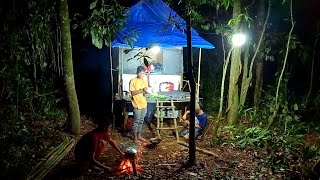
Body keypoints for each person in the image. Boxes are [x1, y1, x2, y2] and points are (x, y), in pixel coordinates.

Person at [129, 66, 148, 144]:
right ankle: (135, 138)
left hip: (144, 103)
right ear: (137, 73)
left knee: (141, 121)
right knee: (136, 121)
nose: (142, 75)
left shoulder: (144, 81)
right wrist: (141, 90)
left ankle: (139, 135)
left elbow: (145, 91)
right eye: (140, 73)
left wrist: (147, 91)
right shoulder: (133, 81)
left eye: (143, 73)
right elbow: (132, 93)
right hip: (136, 104)